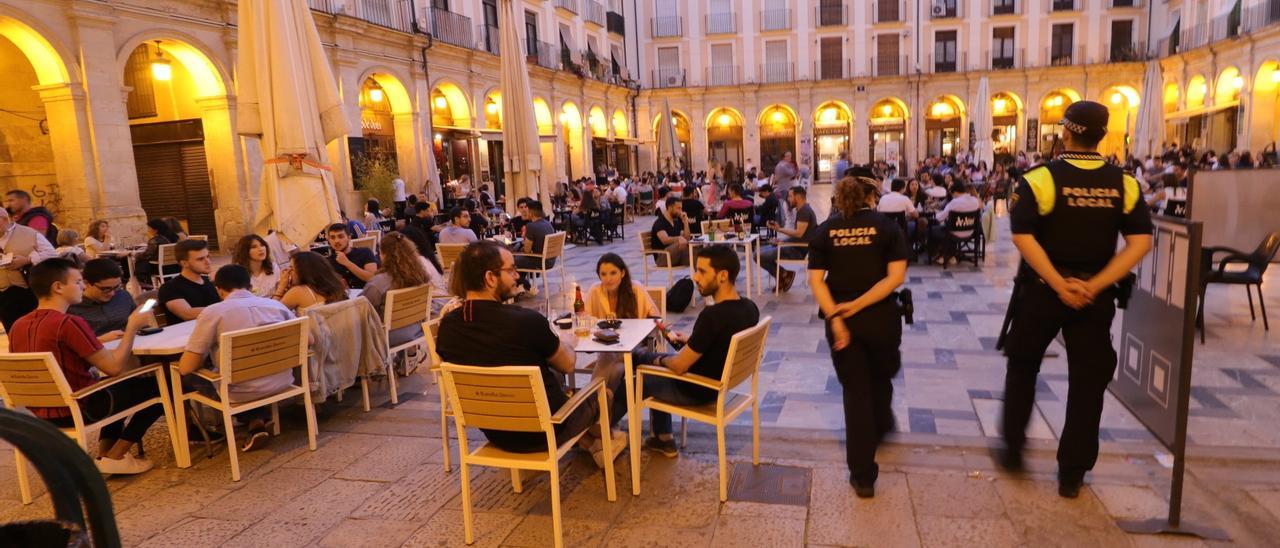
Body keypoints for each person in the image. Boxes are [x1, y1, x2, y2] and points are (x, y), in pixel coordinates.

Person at [997, 100, 1154, 498]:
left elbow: (1022, 236)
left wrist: (1057, 281)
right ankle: (1072, 472)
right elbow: (1140, 242)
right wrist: (1096, 284)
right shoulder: (1125, 183)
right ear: (1101, 136)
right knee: (1088, 381)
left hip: (1042, 292)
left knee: (1023, 366)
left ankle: (1013, 448)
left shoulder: (1040, 179)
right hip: (1093, 297)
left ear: (1064, 133)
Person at [436, 241, 622, 463]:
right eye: (511, 269)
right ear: (490, 278)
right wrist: (566, 340)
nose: (517, 276)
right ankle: (603, 444)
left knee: (551, 377)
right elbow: (569, 364)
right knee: (604, 392)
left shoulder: (447, 326)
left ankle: (591, 444)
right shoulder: (526, 321)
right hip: (547, 433)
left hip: (496, 433)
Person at [808, 176, 909, 498]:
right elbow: (896, 277)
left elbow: (816, 282)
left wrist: (838, 315)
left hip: (843, 326)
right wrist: (861, 303)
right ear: (870, 196)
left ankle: (863, 477)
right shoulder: (887, 227)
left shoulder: (826, 231)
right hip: (881, 320)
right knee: (882, 378)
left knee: (856, 394)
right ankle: (880, 428)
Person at [11, 258, 158, 474]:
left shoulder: (18, 325)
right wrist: (131, 328)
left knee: (113, 387)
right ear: (58, 287)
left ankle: (105, 453)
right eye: (78, 281)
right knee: (157, 384)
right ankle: (117, 456)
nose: (82, 286)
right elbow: (114, 367)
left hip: (41, 413)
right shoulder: (68, 322)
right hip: (79, 408)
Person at [635, 247, 760, 457]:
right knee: (645, 363)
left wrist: (659, 360)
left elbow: (678, 366)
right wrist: (692, 341)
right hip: (719, 384)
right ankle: (662, 437)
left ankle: (601, 435)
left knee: (635, 369)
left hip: (697, 390)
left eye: (702, 271)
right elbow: (721, 342)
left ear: (722, 276)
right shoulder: (750, 308)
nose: (694, 277)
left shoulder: (712, 316)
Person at [177, 264, 297, 452]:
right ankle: (256, 422)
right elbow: (309, 340)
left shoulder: (213, 312)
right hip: (282, 379)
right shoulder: (275, 305)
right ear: (249, 285)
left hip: (240, 390)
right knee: (238, 370)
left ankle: (190, 437)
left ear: (219, 289)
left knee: (181, 376)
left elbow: (187, 366)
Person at [361, 232, 439, 343]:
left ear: (383, 255)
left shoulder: (379, 283)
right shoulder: (420, 275)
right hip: (416, 330)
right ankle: (411, 354)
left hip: (387, 336)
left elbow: (362, 308)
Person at [0, 207, 58, 331]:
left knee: (37, 328)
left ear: (4, 219)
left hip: (28, 290)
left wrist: (27, 260)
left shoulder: (29, 233)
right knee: (13, 331)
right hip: (3, 296)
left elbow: (51, 254)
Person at [761, 186, 816, 292]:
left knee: (758, 255)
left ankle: (785, 275)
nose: (788, 199)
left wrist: (779, 229)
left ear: (798, 197)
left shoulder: (804, 211)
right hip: (794, 246)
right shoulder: (802, 210)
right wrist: (783, 241)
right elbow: (799, 236)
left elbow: (799, 233)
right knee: (760, 252)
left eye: (790, 196)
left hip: (797, 251)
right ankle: (784, 276)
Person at [68, 258, 137, 340]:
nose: (112, 293)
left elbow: (138, 325)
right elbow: (72, 344)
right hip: (98, 350)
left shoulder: (123, 296)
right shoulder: (72, 307)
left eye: (116, 287)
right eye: (105, 289)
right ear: (86, 283)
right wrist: (100, 340)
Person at [157, 239, 220, 321]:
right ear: (184, 263)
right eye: (200, 259)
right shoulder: (170, 287)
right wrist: (223, 308)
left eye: (208, 257)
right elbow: (186, 313)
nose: (208, 262)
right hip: (187, 332)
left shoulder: (209, 282)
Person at [272, 250, 349, 313]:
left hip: (313, 332)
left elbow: (270, 314)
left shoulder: (297, 291)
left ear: (303, 272)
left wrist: (281, 287)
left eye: (291, 268)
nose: (288, 272)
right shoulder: (337, 284)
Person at [513, 201, 556, 294]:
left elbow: (527, 250)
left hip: (540, 261)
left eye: (526, 210)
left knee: (512, 262)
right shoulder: (547, 223)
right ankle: (521, 286)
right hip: (551, 260)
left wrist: (521, 248)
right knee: (520, 260)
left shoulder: (531, 226)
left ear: (531, 213)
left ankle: (523, 286)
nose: (524, 212)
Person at [324, 222, 379, 289]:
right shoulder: (328, 261)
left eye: (340, 236)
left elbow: (372, 278)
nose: (336, 241)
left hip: (366, 295)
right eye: (332, 238)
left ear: (349, 238)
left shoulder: (365, 252)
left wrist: (347, 263)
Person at [650, 195, 692, 267]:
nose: (681, 211)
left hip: (676, 256)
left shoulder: (676, 222)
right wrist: (679, 238)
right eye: (678, 208)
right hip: (662, 257)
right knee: (680, 243)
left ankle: (699, 277)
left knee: (698, 252)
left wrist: (685, 222)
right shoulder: (660, 222)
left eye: (681, 208)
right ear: (670, 208)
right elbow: (664, 240)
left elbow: (687, 238)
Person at [134, 219, 177, 287]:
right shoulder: (173, 237)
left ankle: (144, 282)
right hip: (174, 267)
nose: (148, 230)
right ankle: (144, 281)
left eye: (149, 228)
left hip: (162, 269)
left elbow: (147, 254)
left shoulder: (155, 240)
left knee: (140, 260)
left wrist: (135, 254)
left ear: (155, 230)